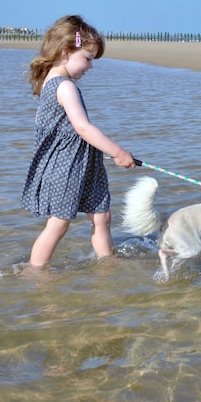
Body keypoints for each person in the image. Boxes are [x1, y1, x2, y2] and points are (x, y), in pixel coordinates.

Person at [20, 15, 136, 267]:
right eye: (86, 59)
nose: (90, 67)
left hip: (85, 165)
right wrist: (118, 152)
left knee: (102, 217)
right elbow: (83, 127)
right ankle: (35, 271)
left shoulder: (51, 81)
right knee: (59, 224)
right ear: (65, 52)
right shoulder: (64, 86)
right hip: (66, 167)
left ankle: (107, 265)